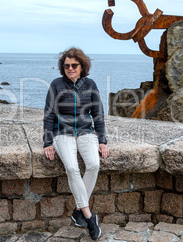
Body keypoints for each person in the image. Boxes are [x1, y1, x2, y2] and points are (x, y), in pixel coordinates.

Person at [43, 47, 109, 240]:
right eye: (66, 66)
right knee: (71, 168)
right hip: (62, 133)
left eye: (74, 65)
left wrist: (103, 140)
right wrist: (47, 142)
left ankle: (78, 212)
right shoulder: (56, 85)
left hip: (86, 131)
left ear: (82, 66)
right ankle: (89, 215)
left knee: (94, 164)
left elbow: (98, 114)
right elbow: (49, 115)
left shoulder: (90, 84)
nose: (70, 68)